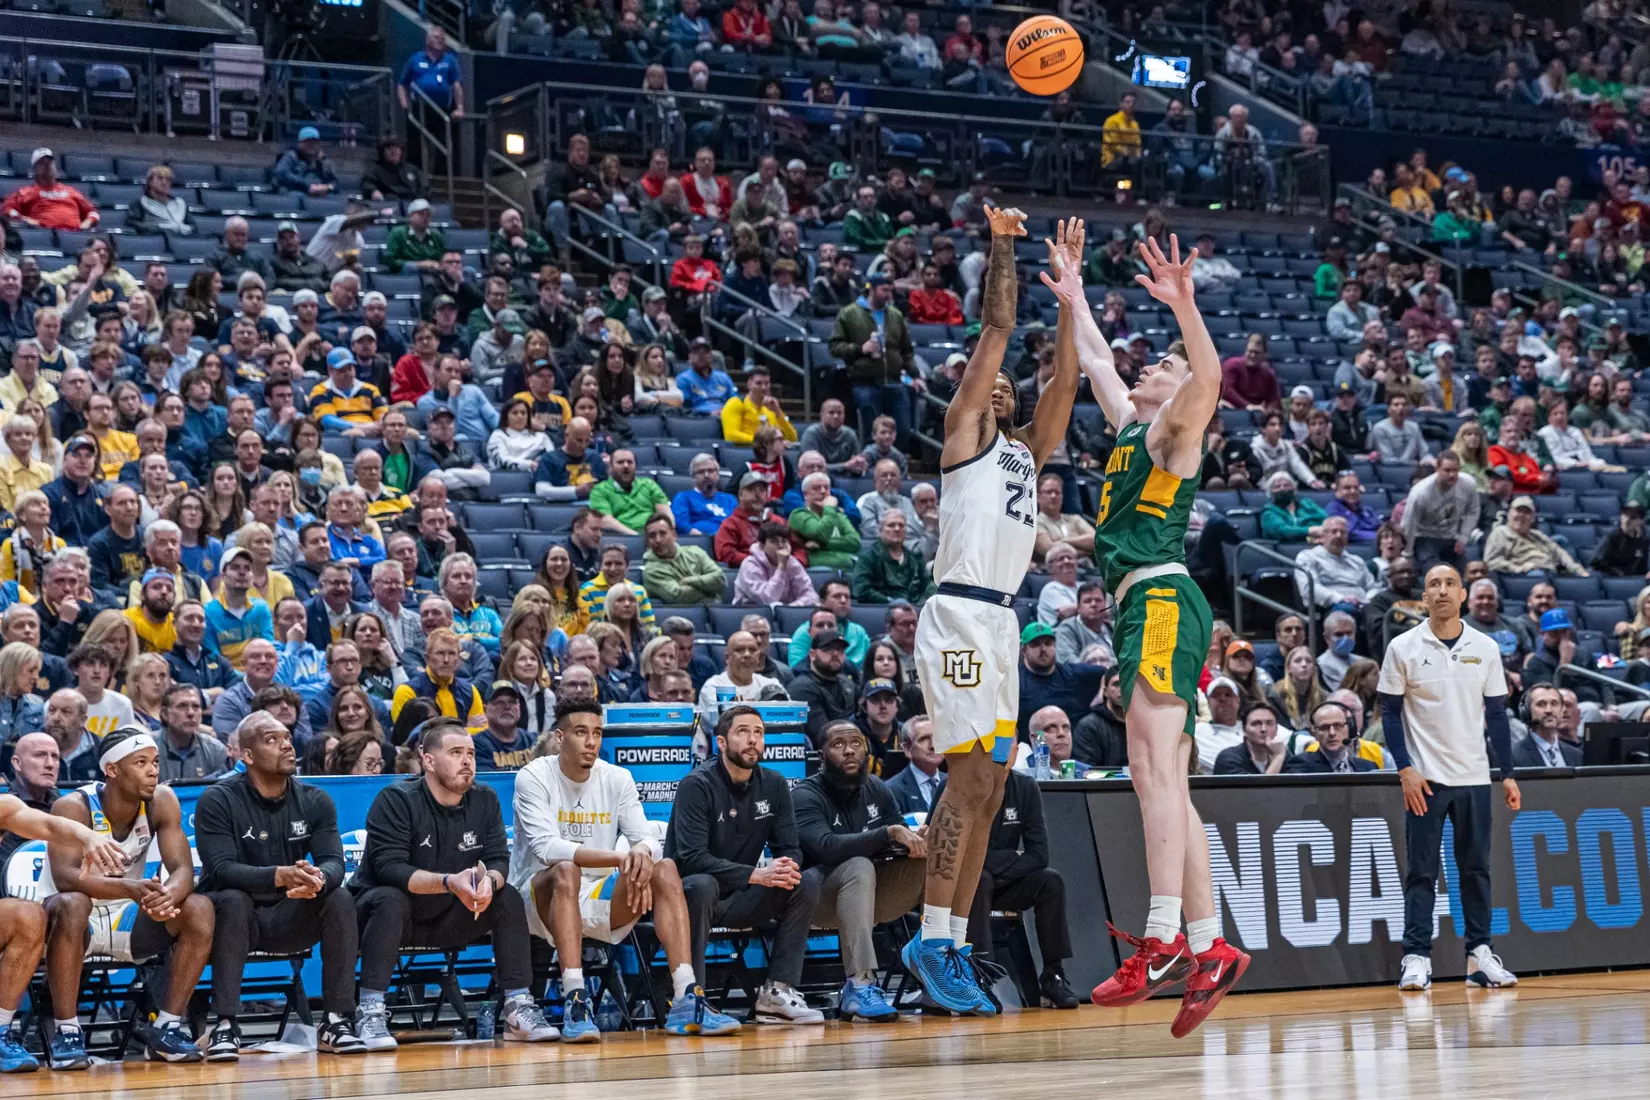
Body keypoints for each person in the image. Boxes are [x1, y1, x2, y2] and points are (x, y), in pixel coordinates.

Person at [1059, 224, 1248, 1031]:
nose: (1151, 367)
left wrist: (1186, 310)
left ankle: (1163, 937)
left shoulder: (1174, 434)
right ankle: (1210, 945)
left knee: (1149, 772)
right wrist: (1071, 295)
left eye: (1160, 367)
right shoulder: (1133, 429)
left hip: (1163, 600)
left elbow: (1206, 373)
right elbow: (1098, 361)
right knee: (1171, 785)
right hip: (1149, 602)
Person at [896, 209, 1078, 1016]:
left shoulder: (1023, 453)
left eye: (1009, 383)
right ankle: (932, 939)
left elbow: (1065, 388)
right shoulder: (966, 435)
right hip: (961, 615)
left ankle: (954, 944)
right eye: (989, 379)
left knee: (994, 785)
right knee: (969, 780)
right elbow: (999, 326)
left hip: (1002, 621)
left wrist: (1072, 302)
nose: (999, 382)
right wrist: (1006, 239)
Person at [510, 699, 739, 1040]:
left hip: (601, 896)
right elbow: (548, 849)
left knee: (664, 869)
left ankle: (685, 996)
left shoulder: (617, 777)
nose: (591, 741)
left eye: (597, 733)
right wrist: (620, 859)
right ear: (560, 738)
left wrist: (642, 857)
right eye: (580, 733)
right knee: (566, 871)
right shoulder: (533, 776)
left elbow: (646, 836)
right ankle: (576, 998)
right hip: (538, 899)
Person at [348, 718, 556, 1048]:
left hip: (449, 915)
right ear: (428, 760)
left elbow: (499, 860)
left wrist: (488, 881)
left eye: (471, 753)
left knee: (507, 896)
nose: (467, 761)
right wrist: (449, 882)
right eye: (456, 752)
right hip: (384, 919)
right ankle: (370, 1010)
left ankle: (518, 1006)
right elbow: (391, 870)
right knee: (390, 898)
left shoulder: (484, 799)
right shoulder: (396, 800)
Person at [1378, 564, 1520, 993]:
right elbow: (1388, 711)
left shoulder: (1486, 647)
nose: (1441, 591)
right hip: (1425, 780)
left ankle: (1480, 955)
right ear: (1424, 598)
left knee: (1476, 870)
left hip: (1475, 777)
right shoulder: (1403, 647)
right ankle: (1416, 957)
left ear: (1463, 595)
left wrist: (1508, 775)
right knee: (1421, 872)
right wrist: (1404, 768)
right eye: (1433, 585)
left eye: (1449, 584)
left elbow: (1496, 715)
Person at [193, 712, 366, 1058]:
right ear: (248, 756)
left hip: (290, 915)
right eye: (272, 740)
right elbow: (221, 869)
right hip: (234, 921)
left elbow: (334, 860)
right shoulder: (218, 799)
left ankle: (335, 1020)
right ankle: (224, 1024)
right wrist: (280, 875)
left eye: (287, 737)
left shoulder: (315, 799)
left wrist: (317, 879)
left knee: (340, 896)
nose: (287, 744)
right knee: (232, 899)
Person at [39, 728, 214, 1067]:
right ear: (112, 770)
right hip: (74, 920)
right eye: (141, 762)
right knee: (73, 904)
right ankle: (67, 1031)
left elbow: (182, 870)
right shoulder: (73, 806)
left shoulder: (162, 800)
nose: (153, 770)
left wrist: (167, 897)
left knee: (197, 907)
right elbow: (65, 878)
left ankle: (166, 1028)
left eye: (155, 762)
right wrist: (128, 888)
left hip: (128, 916)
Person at [666, 705, 825, 1024]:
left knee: (804, 880)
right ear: (721, 742)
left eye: (758, 733)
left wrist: (785, 868)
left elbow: (790, 847)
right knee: (701, 883)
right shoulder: (696, 785)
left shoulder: (775, 784)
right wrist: (757, 874)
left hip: (743, 896)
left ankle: (777, 991)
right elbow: (690, 858)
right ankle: (692, 997)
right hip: (689, 901)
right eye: (743, 732)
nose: (753, 740)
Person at [792, 719, 926, 1022]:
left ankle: (939, 964)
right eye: (838, 745)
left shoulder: (876, 788)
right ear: (821, 755)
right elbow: (826, 847)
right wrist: (888, 833)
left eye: (855, 743)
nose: (849, 751)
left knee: (932, 860)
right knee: (858, 865)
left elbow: (900, 839)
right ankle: (859, 984)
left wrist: (919, 841)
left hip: (871, 896)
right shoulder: (804, 795)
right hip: (818, 899)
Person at [0, 772, 130, 1073]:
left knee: (29, 916)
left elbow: (46, 824)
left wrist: (87, 836)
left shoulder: (4, 806)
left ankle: (1, 1031)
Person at [1511, 682, 1583, 767]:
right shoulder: (1513, 755)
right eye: (1541, 704)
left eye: (1554, 703)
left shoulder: (1577, 755)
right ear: (1527, 711)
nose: (1549, 710)